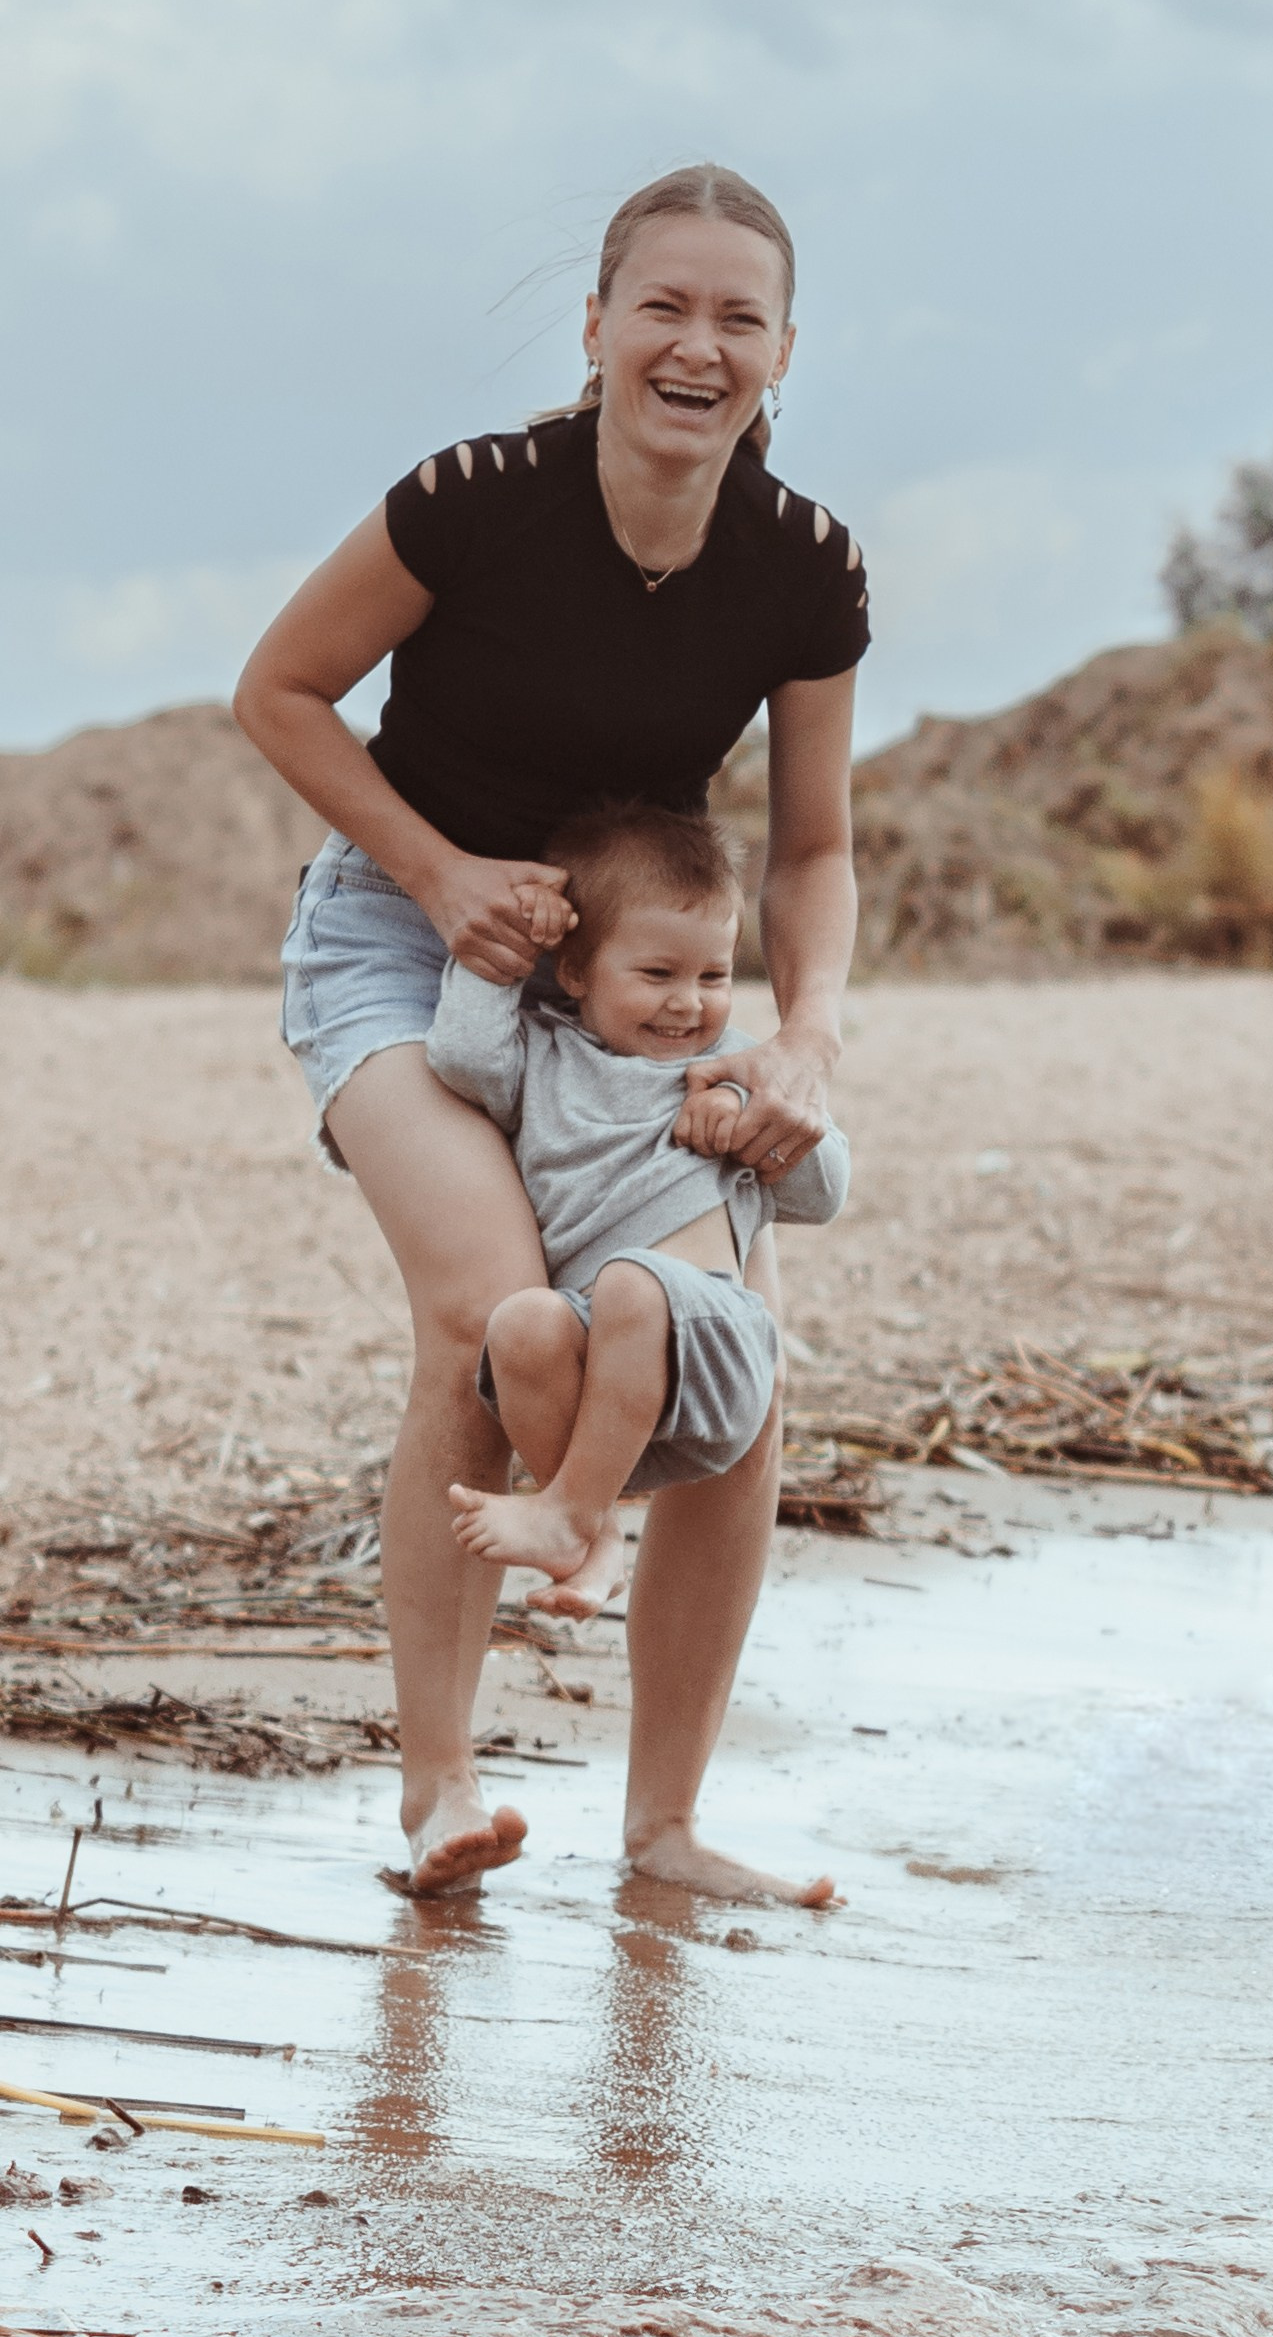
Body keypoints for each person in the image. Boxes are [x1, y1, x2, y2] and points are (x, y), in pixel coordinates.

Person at [235, 160, 866, 1904]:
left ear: (783, 354)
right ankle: (440, 1795)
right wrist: (438, 880)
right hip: (396, 934)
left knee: (728, 1359)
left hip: (634, 987)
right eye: (661, 305)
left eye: (738, 316)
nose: (696, 344)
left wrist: (803, 1041)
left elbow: (813, 848)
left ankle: (660, 1834)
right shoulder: (473, 501)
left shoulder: (803, 569)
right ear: (594, 330)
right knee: (486, 1312)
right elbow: (274, 692)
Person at [427, 799, 850, 1625]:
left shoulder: (740, 1070)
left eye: (714, 976)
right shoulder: (542, 1055)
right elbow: (461, 1054)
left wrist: (749, 1123)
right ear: (576, 971)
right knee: (519, 1323)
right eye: (657, 975)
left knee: (634, 1283)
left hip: (714, 1361)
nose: (688, 1004)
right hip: (597, 1392)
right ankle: (592, 1532)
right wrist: (507, 945)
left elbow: (823, 1192)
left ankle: (566, 1509)